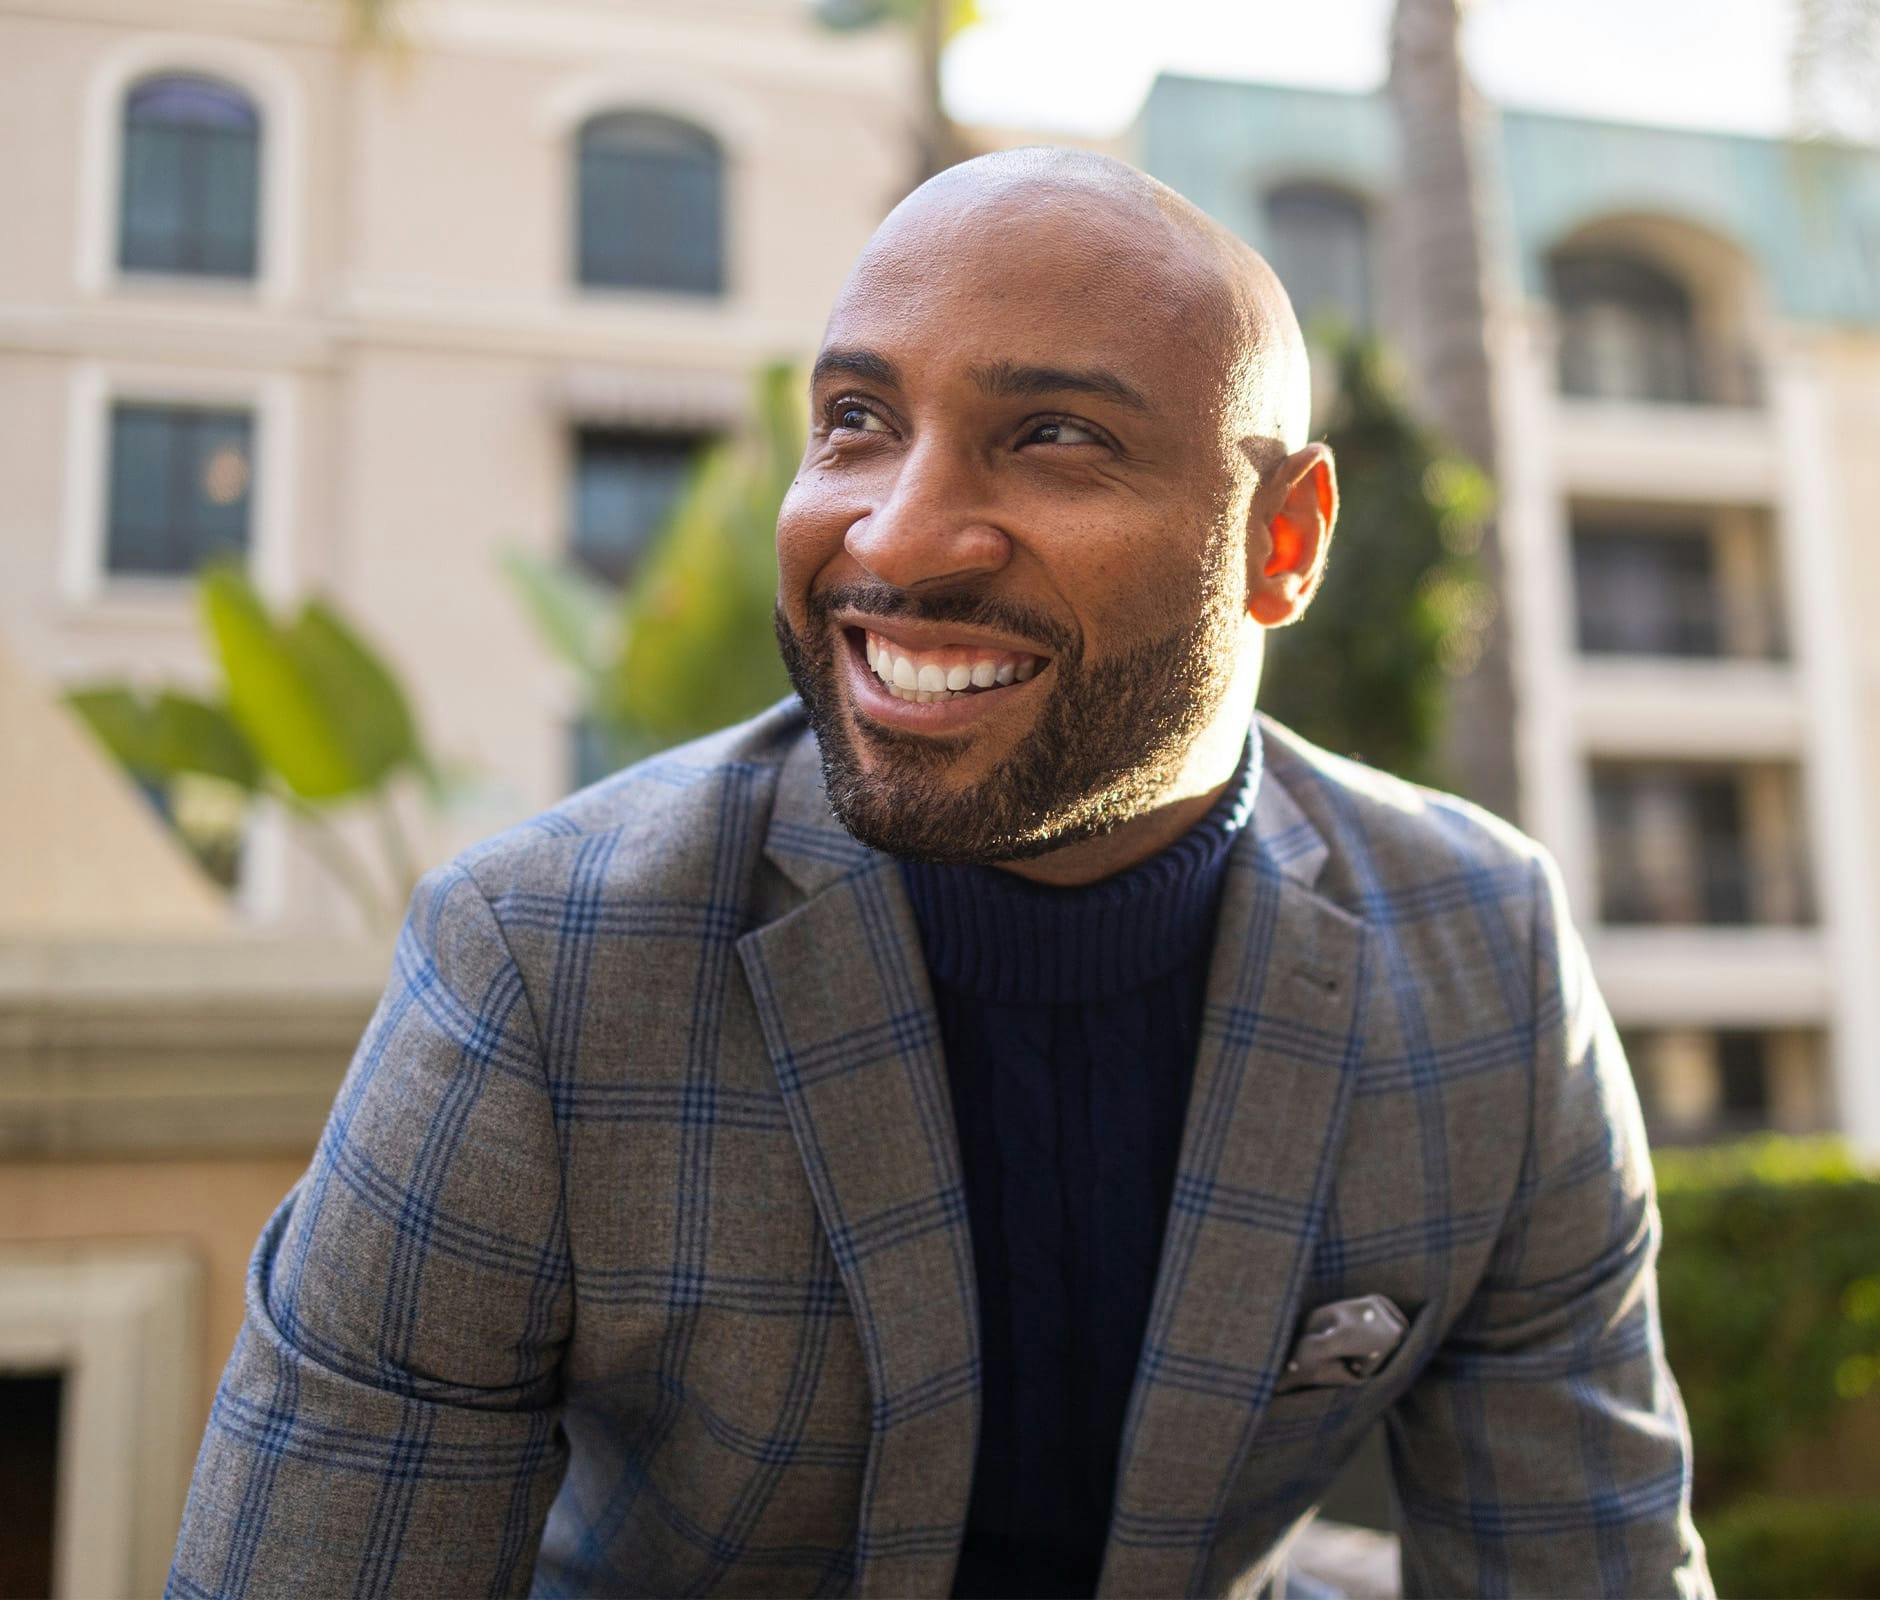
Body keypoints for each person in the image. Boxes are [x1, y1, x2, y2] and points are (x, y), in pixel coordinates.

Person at [170, 148, 1713, 1599]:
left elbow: (1586, 1558)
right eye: (857, 418)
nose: (896, 536)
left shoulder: (1480, 951)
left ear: (1282, 539)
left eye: (1055, 435)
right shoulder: (545, 961)